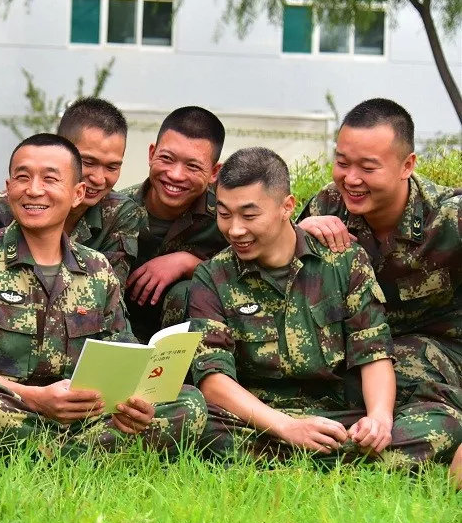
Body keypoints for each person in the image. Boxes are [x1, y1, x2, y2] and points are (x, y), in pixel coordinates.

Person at [188, 147, 462, 466]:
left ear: (286, 207)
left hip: (342, 413)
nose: (235, 229)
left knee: (444, 421)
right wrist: (287, 427)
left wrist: (378, 419)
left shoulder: (344, 262)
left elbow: (373, 352)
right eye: (224, 214)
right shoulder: (213, 276)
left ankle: (288, 462)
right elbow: (213, 378)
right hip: (262, 417)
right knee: (193, 415)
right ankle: (347, 465)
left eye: (249, 215)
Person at [0, 133, 207, 455]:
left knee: (189, 402)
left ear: (77, 193)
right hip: (16, 407)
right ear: (9, 188)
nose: (34, 190)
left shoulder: (98, 268)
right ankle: (95, 456)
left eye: (50, 179)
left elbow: (125, 358)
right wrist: (37, 398)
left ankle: (49, 456)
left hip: (88, 416)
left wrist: (137, 404)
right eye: (23, 177)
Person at [298, 99, 461, 407]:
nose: (351, 179)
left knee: (375, 377)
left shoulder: (449, 218)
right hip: (358, 341)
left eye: (368, 167)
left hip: (437, 347)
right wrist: (297, 235)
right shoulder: (328, 205)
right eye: (343, 163)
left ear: (407, 165)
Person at [0, 97, 144, 286]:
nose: (99, 178)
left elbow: (108, 296)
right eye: (88, 162)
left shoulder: (119, 214)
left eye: (112, 167)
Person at [120, 106, 228, 343]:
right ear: (151, 154)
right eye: (167, 159)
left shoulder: (227, 216)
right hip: (118, 338)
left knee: (187, 291)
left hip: (194, 351)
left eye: (192, 166)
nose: (176, 175)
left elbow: (255, 275)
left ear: (214, 172)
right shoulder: (115, 212)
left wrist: (190, 264)